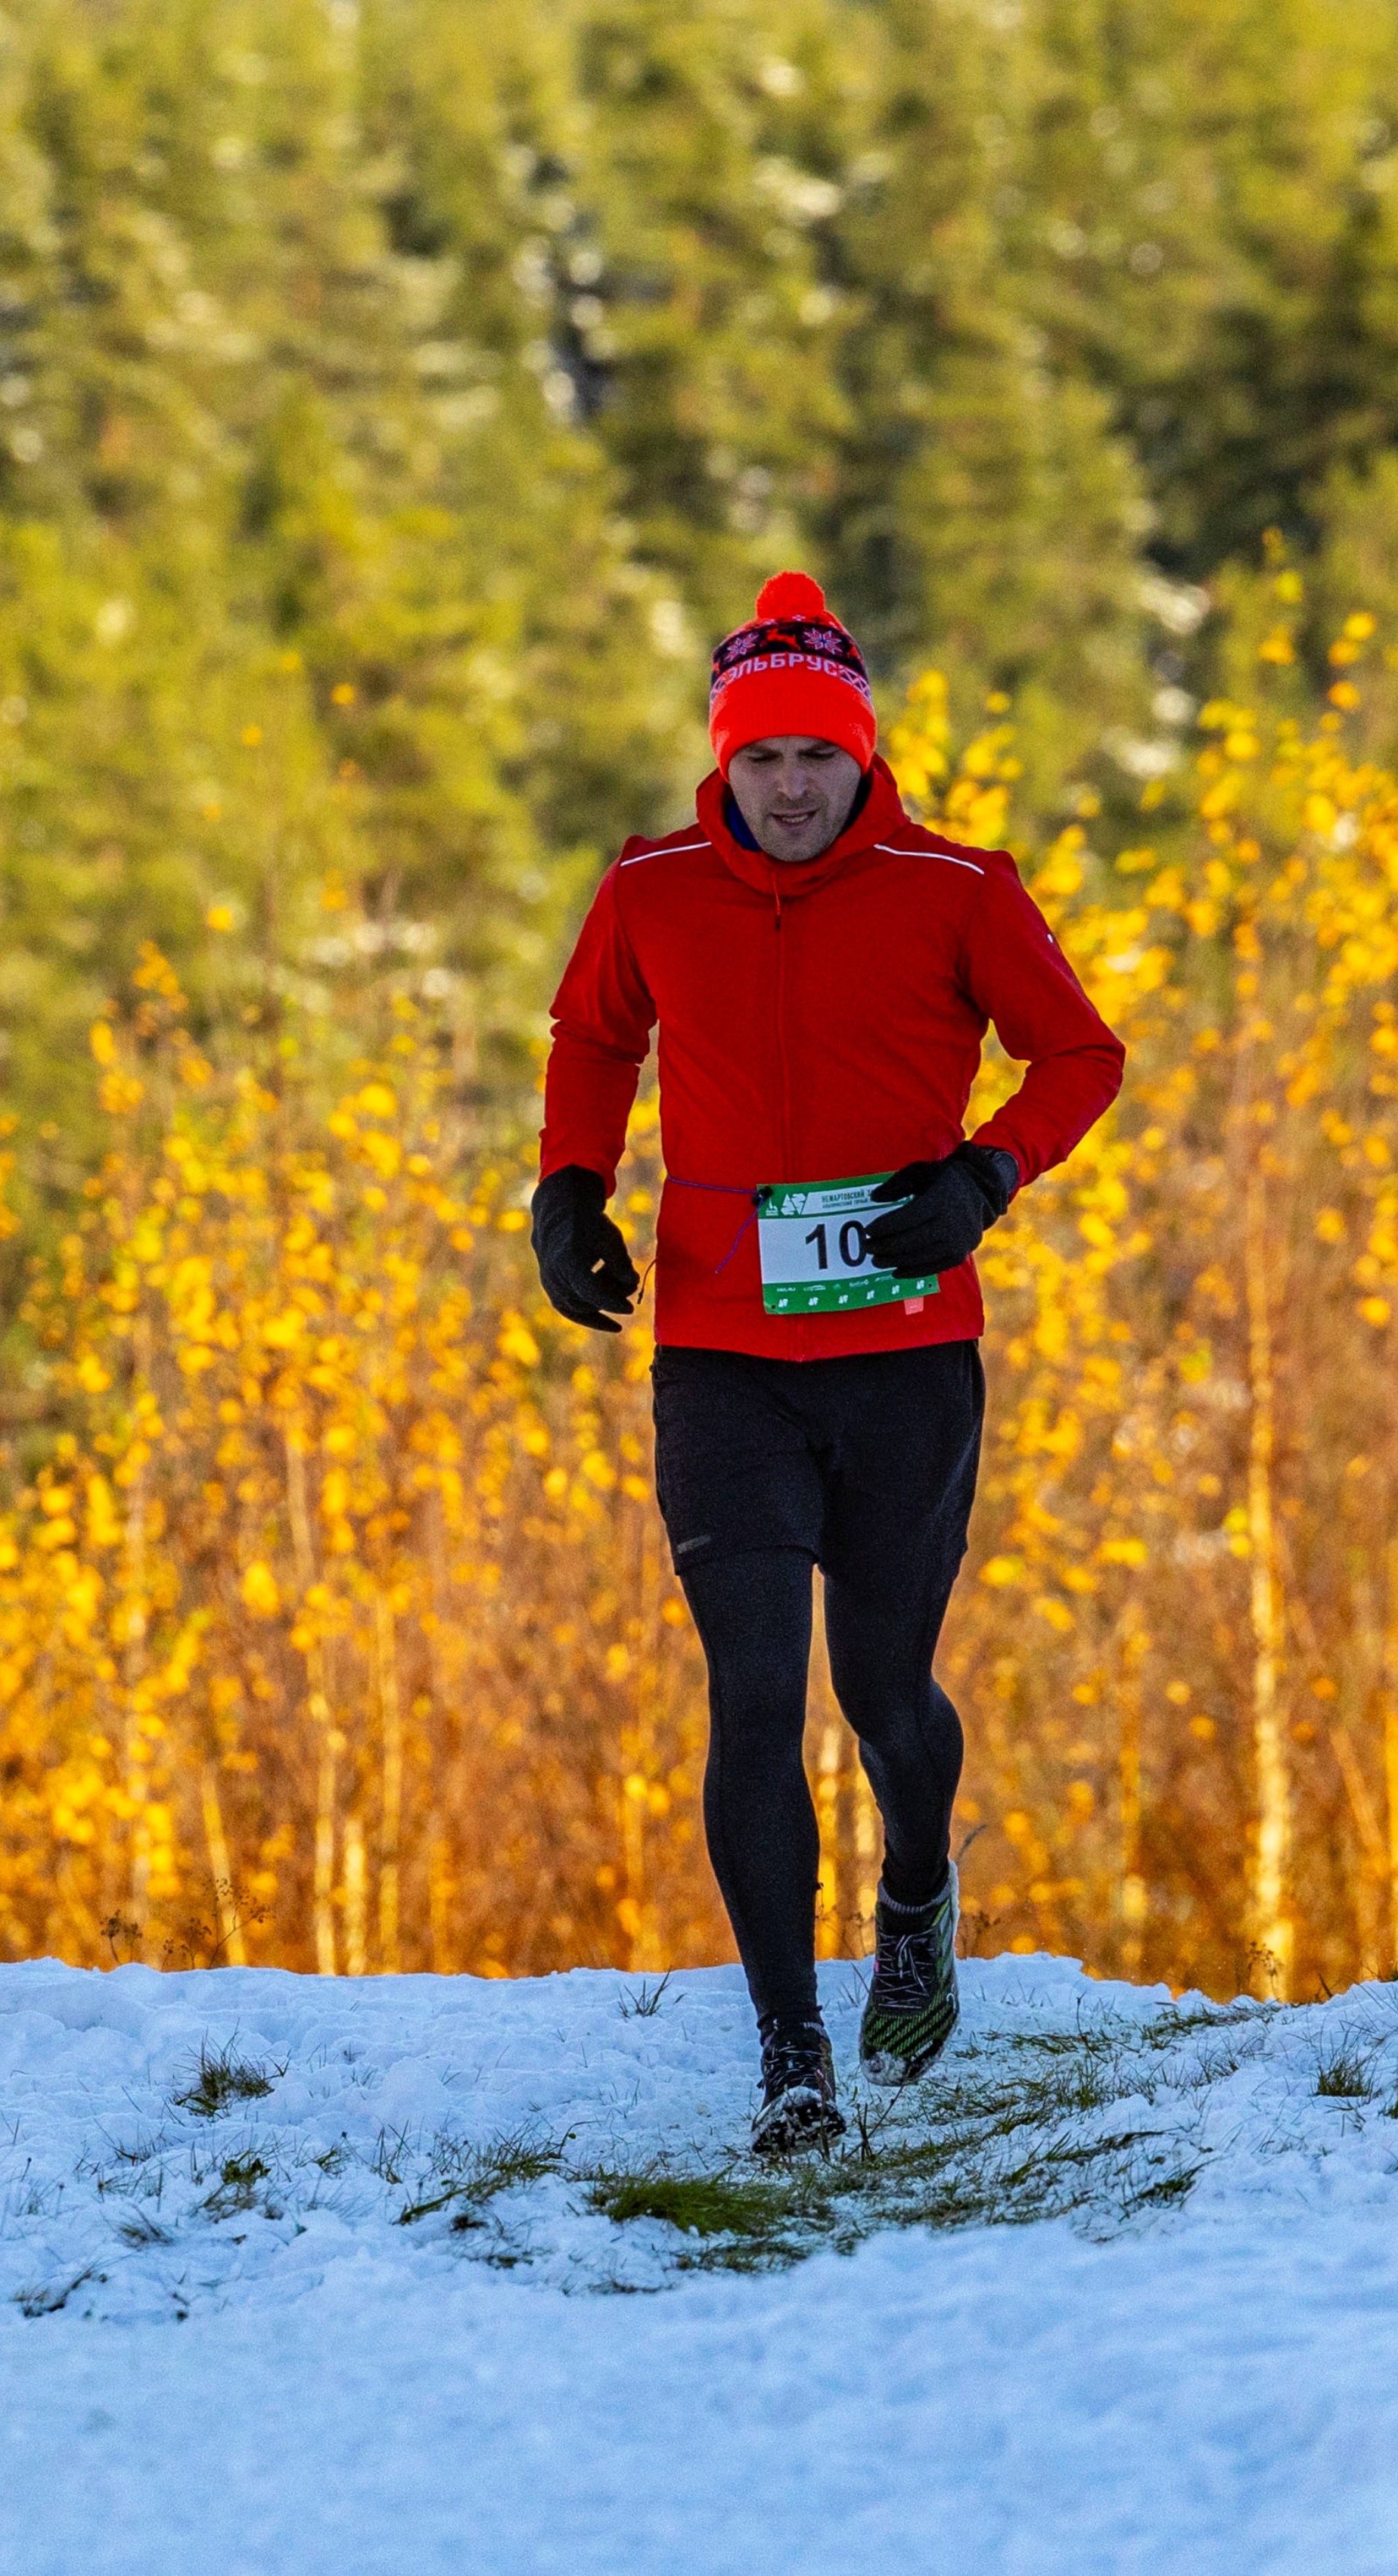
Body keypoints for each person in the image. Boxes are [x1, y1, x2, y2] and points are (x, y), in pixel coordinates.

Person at [530, 573, 1126, 2154]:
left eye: (816, 758)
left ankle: (917, 1875)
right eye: (761, 760)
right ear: (720, 766)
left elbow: (1081, 1052)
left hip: (906, 1356)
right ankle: (794, 2050)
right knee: (752, 1692)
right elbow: (595, 1037)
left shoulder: (955, 885)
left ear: (863, 759)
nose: (789, 787)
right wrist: (568, 1182)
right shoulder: (649, 888)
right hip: (722, 1350)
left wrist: (988, 1173)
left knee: (878, 1689)